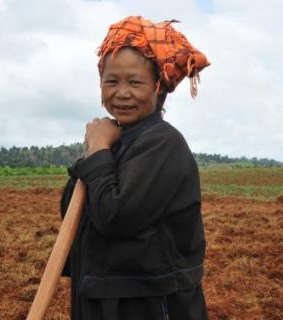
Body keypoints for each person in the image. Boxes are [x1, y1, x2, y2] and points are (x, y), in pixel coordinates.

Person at [60, 15, 210, 320]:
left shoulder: (162, 143)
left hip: (148, 304)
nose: (122, 93)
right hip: (102, 298)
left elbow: (115, 216)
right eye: (111, 81)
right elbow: (72, 213)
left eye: (135, 82)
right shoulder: (115, 140)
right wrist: (97, 150)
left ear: (158, 87)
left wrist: (99, 150)